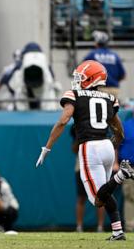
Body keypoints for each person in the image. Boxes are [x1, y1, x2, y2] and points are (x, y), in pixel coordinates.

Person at [36, 60, 134, 241]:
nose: (78, 81)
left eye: (81, 77)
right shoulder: (109, 98)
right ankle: (118, 232)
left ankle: (121, 175)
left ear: (91, 79)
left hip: (90, 148)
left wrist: (47, 147)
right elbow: (117, 126)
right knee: (105, 191)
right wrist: (117, 142)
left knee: (97, 199)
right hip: (106, 145)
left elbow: (63, 121)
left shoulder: (74, 95)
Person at [71, 125, 105, 232]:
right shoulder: (76, 128)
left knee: (100, 197)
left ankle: (100, 226)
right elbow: (74, 149)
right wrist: (80, 137)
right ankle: (79, 226)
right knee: (81, 198)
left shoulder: (99, 129)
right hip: (81, 167)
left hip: (97, 166)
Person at [83, 31, 125, 97]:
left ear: (96, 43)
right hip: (113, 89)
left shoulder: (92, 54)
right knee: (111, 107)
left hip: (98, 89)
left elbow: (82, 72)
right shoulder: (115, 55)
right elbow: (123, 75)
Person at [119, 113, 134, 231]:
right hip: (129, 166)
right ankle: (130, 227)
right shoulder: (125, 125)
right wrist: (114, 162)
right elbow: (115, 145)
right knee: (130, 197)